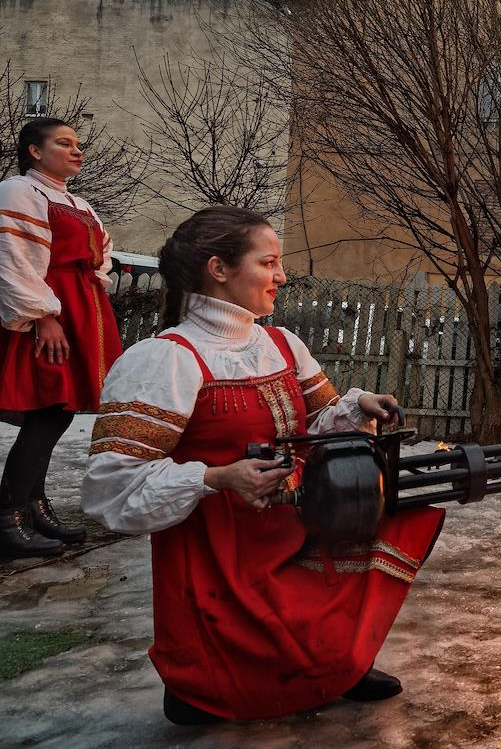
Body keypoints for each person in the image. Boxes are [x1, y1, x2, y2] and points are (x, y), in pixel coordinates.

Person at [81, 207, 444, 724]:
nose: (282, 276)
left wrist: (353, 408)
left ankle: (336, 662)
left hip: (294, 519)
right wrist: (215, 477)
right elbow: (109, 488)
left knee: (402, 511)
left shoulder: (281, 344)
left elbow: (315, 426)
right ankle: (203, 682)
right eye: (269, 262)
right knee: (218, 681)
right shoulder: (164, 359)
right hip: (217, 549)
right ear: (219, 269)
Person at [0, 117, 121, 556]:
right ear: (35, 151)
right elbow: (13, 258)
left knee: (61, 411)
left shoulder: (79, 203)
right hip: (49, 309)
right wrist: (43, 316)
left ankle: (33, 505)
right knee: (48, 409)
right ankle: (7, 515)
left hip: (80, 308)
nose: (77, 151)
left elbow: (100, 254)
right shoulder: (18, 191)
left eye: (78, 144)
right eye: (64, 144)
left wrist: (86, 294)